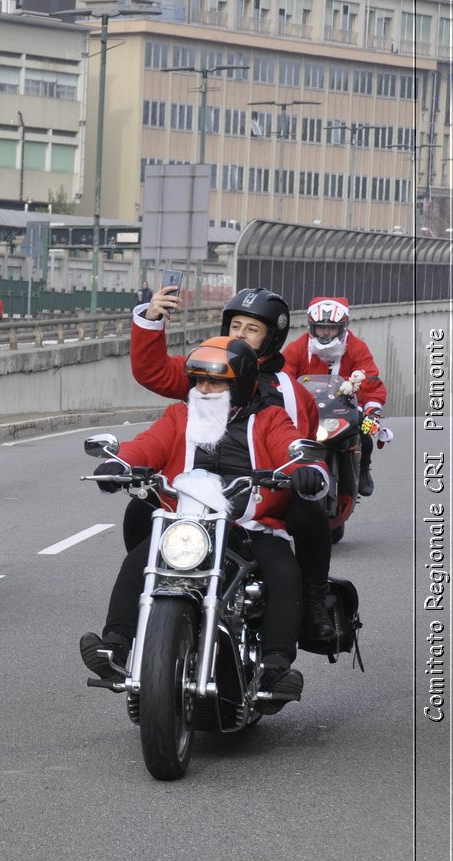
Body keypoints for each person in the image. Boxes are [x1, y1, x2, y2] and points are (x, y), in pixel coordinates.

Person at [81, 337, 328, 706]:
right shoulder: (180, 416)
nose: (204, 389)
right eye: (198, 381)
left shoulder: (270, 418)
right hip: (190, 525)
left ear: (241, 384)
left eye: (215, 382)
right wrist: (120, 463)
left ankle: (276, 667)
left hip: (249, 527)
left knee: (284, 571)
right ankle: (115, 646)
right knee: (141, 559)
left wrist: (307, 468)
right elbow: (149, 444)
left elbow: (292, 448)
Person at [132, 285, 335, 640]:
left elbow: (295, 442)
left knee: (309, 511)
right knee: (140, 508)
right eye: (235, 325)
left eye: (252, 329)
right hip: (199, 498)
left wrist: (299, 474)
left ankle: (313, 600)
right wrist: (152, 320)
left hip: (265, 494)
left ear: (272, 338)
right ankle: (158, 584)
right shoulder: (208, 369)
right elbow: (154, 373)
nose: (240, 334)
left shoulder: (291, 391)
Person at [281, 297, 390, 498]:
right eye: (320, 328)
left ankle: (364, 469)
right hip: (307, 407)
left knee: (365, 434)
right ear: (311, 327)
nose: (325, 333)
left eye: (331, 328)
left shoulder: (357, 347)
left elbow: (371, 380)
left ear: (343, 328)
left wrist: (372, 411)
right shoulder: (297, 347)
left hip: (346, 407)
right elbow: (282, 377)